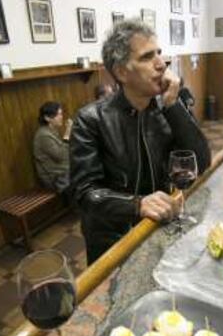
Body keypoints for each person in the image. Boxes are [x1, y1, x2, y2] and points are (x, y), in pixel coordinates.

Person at [70, 20, 211, 263]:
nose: (160, 64)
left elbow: (201, 161)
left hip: (157, 227)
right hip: (114, 240)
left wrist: (173, 106)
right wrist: (137, 204)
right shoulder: (91, 119)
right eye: (147, 57)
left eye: (158, 53)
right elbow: (84, 193)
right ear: (122, 72)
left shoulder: (165, 109)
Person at [33, 101, 72, 199]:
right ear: (47, 118)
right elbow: (61, 156)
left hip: (63, 172)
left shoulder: (52, 130)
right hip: (55, 178)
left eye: (61, 114)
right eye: (58, 115)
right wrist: (67, 132)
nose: (61, 117)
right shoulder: (43, 135)